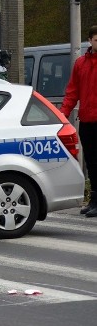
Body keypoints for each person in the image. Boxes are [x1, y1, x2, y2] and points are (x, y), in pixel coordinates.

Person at [61, 24, 97, 217]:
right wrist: (62, 114)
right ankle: (94, 199)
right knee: (91, 162)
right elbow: (72, 91)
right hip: (87, 120)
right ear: (90, 40)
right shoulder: (81, 63)